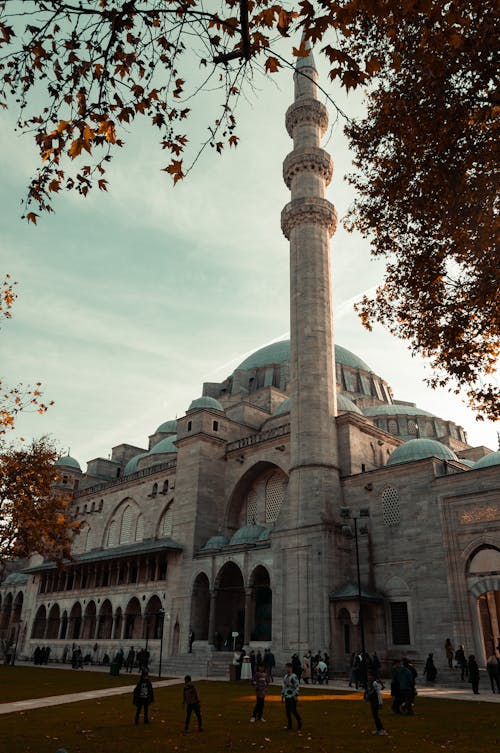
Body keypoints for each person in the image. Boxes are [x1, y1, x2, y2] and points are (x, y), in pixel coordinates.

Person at [365, 670, 388, 736]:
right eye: (368, 675)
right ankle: (378, 729)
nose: (369, 677)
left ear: (373, 677)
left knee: (376, 716)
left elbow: (378, 694)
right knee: (374, 716)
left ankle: (382, 729)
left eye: (370, 675)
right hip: (373, 701)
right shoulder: (370, 683)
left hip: (376, 702)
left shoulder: (374, 683)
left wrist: (380, 703)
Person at [282, 662, 302, 732]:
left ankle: (299, 721)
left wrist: (296, 695)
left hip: (293, 696)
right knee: (287, 711)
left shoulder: (294, 676)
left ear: (291, 668)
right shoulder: (285, 677)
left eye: (289, 668)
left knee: (293, 710)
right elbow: (284, 687)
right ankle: (289, 725)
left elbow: (296, 686)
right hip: (287, 696)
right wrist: (282, 695)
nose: (287, 669)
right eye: (286, 668)